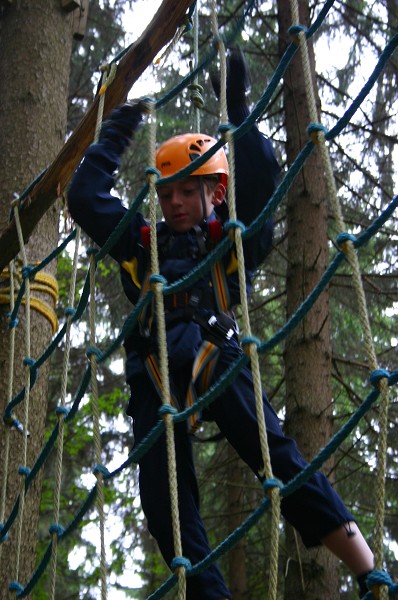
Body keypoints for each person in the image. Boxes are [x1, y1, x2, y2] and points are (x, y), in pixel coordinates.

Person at [68, 50, 374, 599]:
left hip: (214, 351)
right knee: (165, 508)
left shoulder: (229, 242)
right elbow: (85, 198)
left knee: (278, 457)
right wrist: (118, 123)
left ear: (215, 192)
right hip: (156, 370)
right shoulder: (143, 244)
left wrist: (236, 107)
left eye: (189, 190)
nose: (176, 202)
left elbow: (260, 174)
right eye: (166, 194)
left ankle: (366, 566)